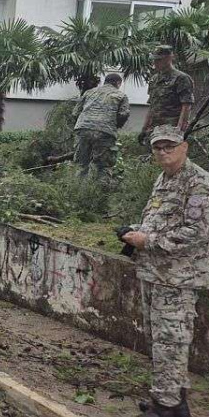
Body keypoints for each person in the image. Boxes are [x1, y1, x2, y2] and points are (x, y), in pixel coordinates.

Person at [121, 125, 209, 417]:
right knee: (160, 341)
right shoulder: (165, 178)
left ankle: (166, 407)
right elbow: (158, 220)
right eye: (158, 147)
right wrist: (134, 232)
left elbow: (197, 232)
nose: (163, 152)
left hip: (177, 278)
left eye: (169, 146)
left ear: (184, 147)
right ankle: (172, 400)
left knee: (171, 340)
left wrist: (147, 241)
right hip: (155, 273)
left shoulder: (198, 182)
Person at [71, 73, 130, 178]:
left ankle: (78, 187)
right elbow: (124, 114)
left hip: (83, 129)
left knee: (81, 164)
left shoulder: (89, 92)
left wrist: (83, 124)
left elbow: (75, 113)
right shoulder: (121, 95)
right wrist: (116, 125)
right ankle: (101, 187)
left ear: (105, 81)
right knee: (103, 166)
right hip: (105, 131)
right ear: (118, 83)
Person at [140, 46, 194, 144]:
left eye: (159, 60)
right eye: (154, 60)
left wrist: (179, 129)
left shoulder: (181, 78)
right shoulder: (154, 79)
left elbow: (186, 105)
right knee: (155, 153)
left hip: (171, 129)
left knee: (169, 153)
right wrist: (144, 128)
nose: (155, 63)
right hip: (154, 129)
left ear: (169, 58)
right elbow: (152, 106)